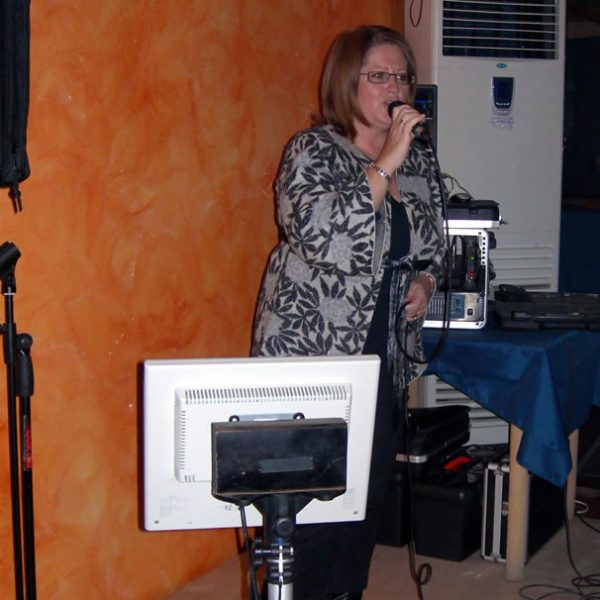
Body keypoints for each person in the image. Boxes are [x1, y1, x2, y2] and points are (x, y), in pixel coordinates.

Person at [251, 24, 446, 600]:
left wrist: (427, 281)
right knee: (307, 503)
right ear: (346, 82)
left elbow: (433, 243)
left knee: (362, 498)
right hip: (310, 355)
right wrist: (385, 162)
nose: (395, 88)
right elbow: (322, 238)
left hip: (382, 359)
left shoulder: (417, 164)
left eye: (402, 77)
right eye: (378, 75)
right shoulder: (312, 151)